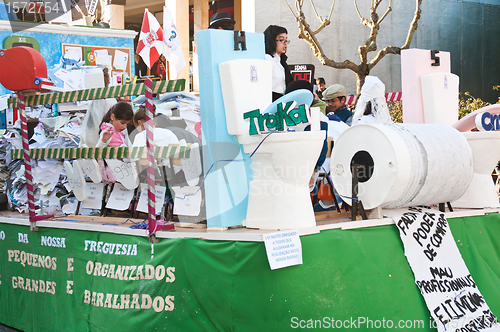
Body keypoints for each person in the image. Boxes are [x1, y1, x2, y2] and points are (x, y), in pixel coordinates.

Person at [263, 25, 293, 102]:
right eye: (281, 40)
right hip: (270, 100)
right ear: (272, 40)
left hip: (282, 100)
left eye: (286, 40)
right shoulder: (267, 59)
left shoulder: (282, 62)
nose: (285, 43)